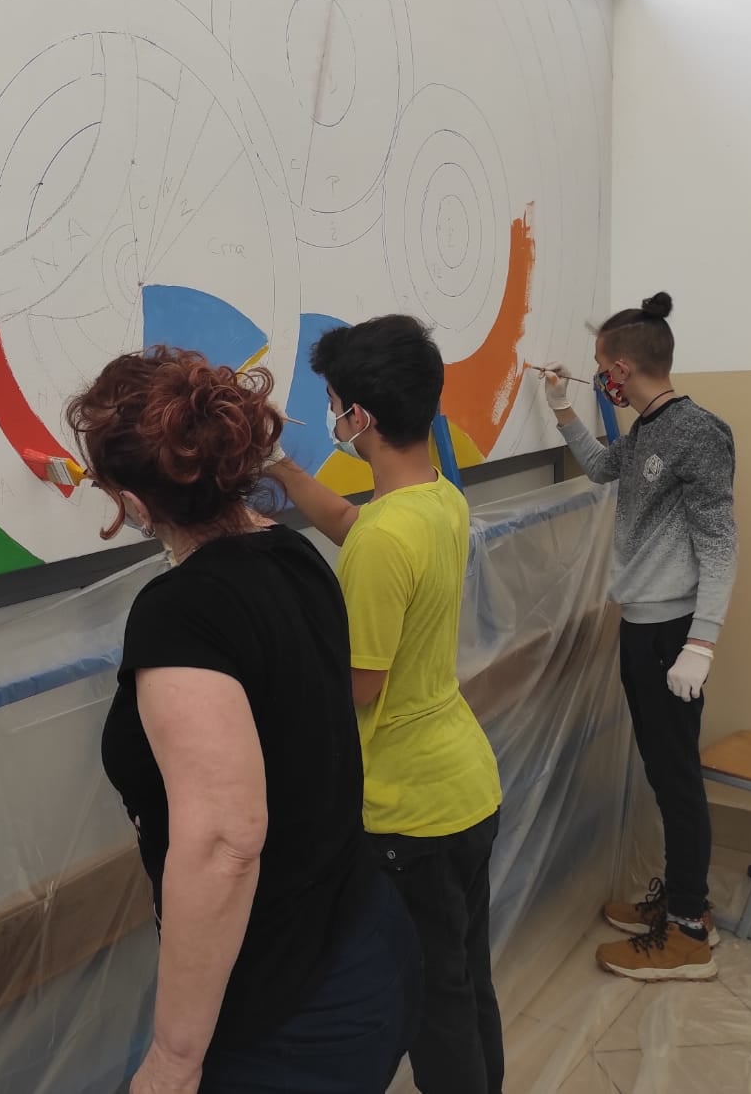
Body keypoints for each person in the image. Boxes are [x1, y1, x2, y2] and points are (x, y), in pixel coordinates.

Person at [67, 346, 421, 1094]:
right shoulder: (293, 554)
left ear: (133, 503)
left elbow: (225, 842)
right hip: (364, 935)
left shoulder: (181, 613)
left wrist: (174, 1058)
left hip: (292, 1007)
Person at [269, 315, 505, 1094]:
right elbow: (360, 525)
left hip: (411, 808)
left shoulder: (384, 541)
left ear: (359, 415)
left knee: (433, 1003)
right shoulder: (437, 498)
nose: (332, 417)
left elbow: (359, 684)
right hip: (463, 787)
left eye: (334, 403)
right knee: (464, 979)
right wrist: (284, 472)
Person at [542, 291, 736, 982]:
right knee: (664, 770)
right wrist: (562, 410)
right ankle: (685, 902)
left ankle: (687, 932)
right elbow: (603, 469)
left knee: (676, 778)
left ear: (622, 369)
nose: (601, 381)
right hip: (642, 628)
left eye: (602, 371)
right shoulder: (648, 428)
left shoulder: (699, 432)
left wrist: (701, 643)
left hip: (672, 636)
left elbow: (720, 545)